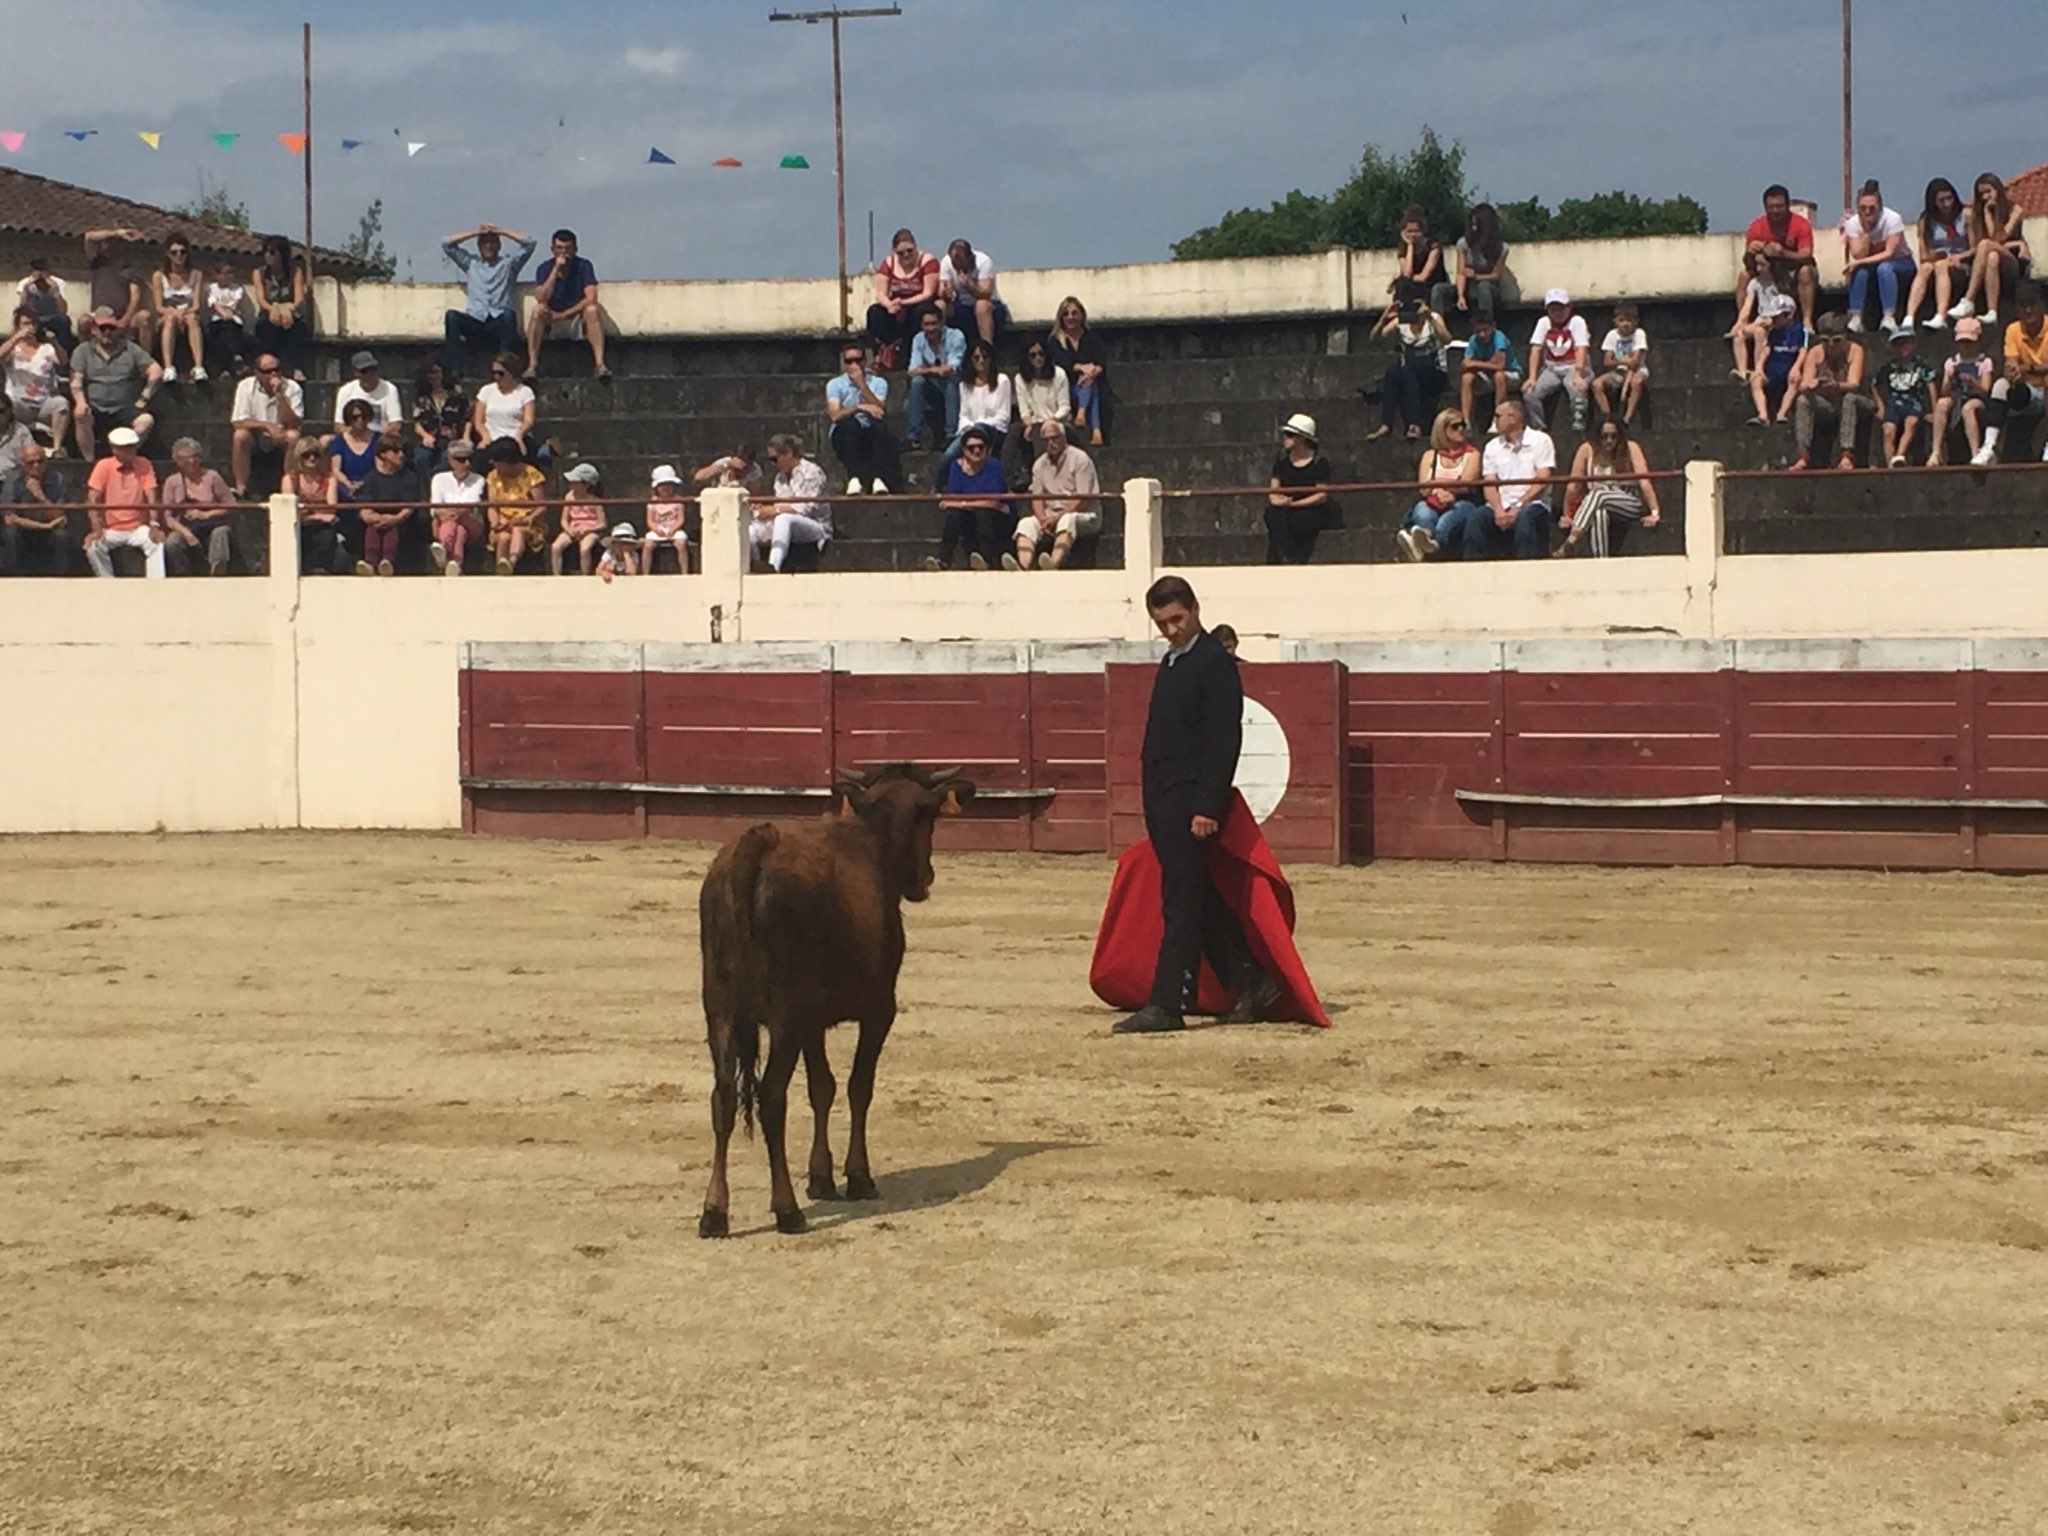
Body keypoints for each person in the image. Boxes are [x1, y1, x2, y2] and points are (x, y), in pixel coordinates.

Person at [1112, 575, 1279, 1035]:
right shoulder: (1175, 661)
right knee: (1198, 899)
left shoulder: (1212, 662)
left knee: (1181, 904)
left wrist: (1207, 806)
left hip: (1190, 806)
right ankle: (1252, 980)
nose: (1170, 630)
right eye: (1162, 623)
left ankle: (1166, 1004)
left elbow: (1224, 740)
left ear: (1195, 610)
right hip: (1168, 803)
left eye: (1176, 620)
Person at [440, 223, 537, 374]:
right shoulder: (471, 263)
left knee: (508, 315)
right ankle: (455, 369)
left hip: (498, 324)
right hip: (476, 322)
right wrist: (475, 232)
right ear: (479, 246)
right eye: (485, 243)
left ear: (499, 246)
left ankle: (505, 367)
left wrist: (501, 231)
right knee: (451, 316)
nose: (489, 247)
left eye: (493, 243)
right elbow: (446, 243)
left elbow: (530, 243)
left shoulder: (508, 264)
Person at [1558, 418, 1661, 558]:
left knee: (1599, 494)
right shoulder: (1587, 449)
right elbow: (1573, 485)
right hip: (1596, 503)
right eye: (1604, 436)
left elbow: (1644, 481)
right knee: (1599, 513)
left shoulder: (1631, 448)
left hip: (1628, 501)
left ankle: (1571, 540)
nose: (1609, 440)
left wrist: (1654, 512)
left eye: (1614, 436)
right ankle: (1602, 560)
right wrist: (1567, 514)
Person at [69, 307, 160, 460]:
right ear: (93, 329)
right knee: (80, 415)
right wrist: (80, 402)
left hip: (125, 407)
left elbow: (155, 369)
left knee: (146, 421)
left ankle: (121, 457)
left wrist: (145, 396)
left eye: (111, 328)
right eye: (102, 328)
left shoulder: (130, 348)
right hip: (95, 407)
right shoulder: (82, 351)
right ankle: (89, 461)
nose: (107, 332)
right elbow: (75, 380)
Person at [1974, 284, 2048, 466]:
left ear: (2042, 306)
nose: (2028, 310)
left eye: (2032, 304)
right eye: (2023, 306)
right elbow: (2012, 362)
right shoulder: (2013, 329)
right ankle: (1989, 447)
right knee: (2001, 384)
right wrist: (2014, 371)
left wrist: (2028, 368)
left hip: (2045, 388)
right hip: (2025, 392)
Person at [1012, 420, 1101, 571]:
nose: (1051, 443)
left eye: (1055, 438)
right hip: (1050, 515)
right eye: (1046, 440)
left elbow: (1083, 498)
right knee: (1025, 524)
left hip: (1083, 514)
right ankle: (1023, 567)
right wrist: (1042, 519)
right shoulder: (1039, 464)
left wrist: (1057, 518)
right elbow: (1037, 497)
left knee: (1067, 520)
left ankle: (1053, 564)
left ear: (1063, 437)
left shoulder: (1081, 459)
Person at [1396, 407, 1482, 562]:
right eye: (1455, 426)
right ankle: (1426, 539)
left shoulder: (1472, 454)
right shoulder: (1430, 455)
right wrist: (1441, 490)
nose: (1461, 429)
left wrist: (1437, 484)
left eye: (1463, 425)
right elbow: (1423, 489)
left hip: (1462, 500)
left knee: (1445, 523)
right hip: (1433, 500)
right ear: (1442, 430)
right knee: (1422, 510)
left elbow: (1466, 483)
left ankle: (1425, 547)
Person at [1473, 397, 1555, 559]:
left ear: (1513, 417)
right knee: (1476, 519)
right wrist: (1498, 509)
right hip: (1501, 506)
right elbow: (1489, 484)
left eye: (1497, 416)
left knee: (1525, 518)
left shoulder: (1541, 440)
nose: (1494, 420)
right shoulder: (1492, 446)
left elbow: (1542, 480)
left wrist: (1517, 506)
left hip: (1533, 503)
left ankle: (1525, 572)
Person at [523, 228, 608, 381]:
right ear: (552, 250)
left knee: (592, 310)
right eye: (559, 248)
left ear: (575, 249)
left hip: (576, 318)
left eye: (568, 249)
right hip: (551, 320)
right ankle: (532, 366)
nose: (564, 252)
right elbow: (541, 297)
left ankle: (600, 365)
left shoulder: (584, 266)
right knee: (537, 311)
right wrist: (555, 270)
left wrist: (564, 314)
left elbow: (591, 297)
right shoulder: (544, 268)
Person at [932, 340, 1017, 490]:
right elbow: (964, 414)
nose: (981, 361)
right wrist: (968, 427)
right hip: (970, 430)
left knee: (974, 433)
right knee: (949, 454)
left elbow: (1004, 416)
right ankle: (937, 486)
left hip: (994, 429)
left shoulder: (1002, 380)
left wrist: (978, 425)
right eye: (976, 357)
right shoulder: (964, 385)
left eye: (985, 356)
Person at [1787, 313, 1867, 471]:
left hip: (1854, 400)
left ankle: (1846, 454)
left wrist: (1836, 385)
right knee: (1803, 400)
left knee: (1849, 399)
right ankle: (1803, 455)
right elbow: (1805, 384)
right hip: (1828, 402)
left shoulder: (1855, 350)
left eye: (1836, 340)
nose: (1831, 345)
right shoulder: (1816, 352)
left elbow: (1854, 383)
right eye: (1825, 340)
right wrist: (1813, 385)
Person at [83, 426, 163, 579]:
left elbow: (152, 495)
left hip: (138, 527)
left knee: (157, 543)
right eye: (125, 448)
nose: (130, 451)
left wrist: (154, 525)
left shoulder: (144, 464)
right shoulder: (103, 466)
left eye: (132, 447)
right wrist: (96, 528)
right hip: (110, 529)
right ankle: (107, 582)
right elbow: (93, 498)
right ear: (114, 449)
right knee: (93, 546)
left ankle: (156, 584)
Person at [1952, 173, 2031, 328]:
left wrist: (1988, 214)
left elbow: (1999, 238)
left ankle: (1968, 299)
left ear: (1998, 190)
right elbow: (1976, 246)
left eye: (1989, 191)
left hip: (2012, 262)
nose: (1986, 197)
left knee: (1987, 246)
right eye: (1981, 194)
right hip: (1991, 258)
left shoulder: (2015, 210)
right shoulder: (1974, 215)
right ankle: (1992, 311)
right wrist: (1960, 256)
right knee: (1992, 256)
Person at [1367, 297, 1450, 442]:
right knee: (1393, 372)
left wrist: (1429, 316)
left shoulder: (1434, 319)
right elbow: (1374, 338)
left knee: (1408, 371)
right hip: (1410, 373)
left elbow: (1447, 339)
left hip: (1435, 373)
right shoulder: (1401, 322)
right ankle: (1386, 424)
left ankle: (1414, 424)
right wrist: (1384, 317)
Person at [927, 426, 1008, 572]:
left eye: (980, 447)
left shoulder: (994, 466)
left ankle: (987, 560)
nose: (976, 451)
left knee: (984, 514)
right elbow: (952, 499)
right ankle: (943, 560)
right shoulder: (956, 467)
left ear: (987, 449)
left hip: (996, 518)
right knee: (954, 516)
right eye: (971, 448)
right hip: (970, 516)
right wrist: (966, 504)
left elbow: (993, 502)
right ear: (964, 451)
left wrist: (963, 503)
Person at [1839, 181, 1915, 336]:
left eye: (1872, 208)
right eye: (1863, 208)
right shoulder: (1853, 223)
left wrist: (1858, 262)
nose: (1867, 212)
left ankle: (1888, 316)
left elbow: (1889, 253)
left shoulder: (1892, 219)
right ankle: (1856, 317)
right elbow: (1858, 254)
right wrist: (1865, 233)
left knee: (1884, 267)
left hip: (1901, 262)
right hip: (1872, 266)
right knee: (1859, 271)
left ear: (1880, 206)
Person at [825, 340, 899, 494]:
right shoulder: (835, 384)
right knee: (850, 425)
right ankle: (854, 478)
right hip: (845, 431)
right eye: (849, 361)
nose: (854, 364)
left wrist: (861, 385)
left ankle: (878, 478)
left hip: (870, 428)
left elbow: (879, 410)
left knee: (879, 428)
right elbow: (835, 415)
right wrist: (859, 407)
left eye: (858, 360)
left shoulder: (878, 383)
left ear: (865, 361)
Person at [1744, 184, 1819, 333]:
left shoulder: (1800, 224)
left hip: (1793, 270)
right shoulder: (1756, 226)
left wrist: (1783, 253)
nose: (1775, 211)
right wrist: (1751, 252)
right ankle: (1744, 321)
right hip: (1768, 271)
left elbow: (1806, 254)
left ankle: (1807, 322)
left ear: (1787, 205)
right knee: (1743, 276)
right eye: (1771, 207)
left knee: (1806, 272)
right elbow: (1747, 263)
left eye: (1779, 206)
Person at [228, 353, 302, 498]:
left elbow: (293, 423)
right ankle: (241, 487)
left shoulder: (293, 388)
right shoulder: (245, 386)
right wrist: (266, 425)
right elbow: (238, 421)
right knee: (240, 436)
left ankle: (288, 487)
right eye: (268, 371)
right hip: (256, 435)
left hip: (282, 435)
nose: (273, 374)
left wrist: (279, 395)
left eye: (277, 369)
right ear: (257, 373)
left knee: (294, 436)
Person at [160, 436, 235, 576]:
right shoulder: (172, 481)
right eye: (186, 458)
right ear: (177, 461)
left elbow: (230, 505)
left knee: (221, 533)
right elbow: (168, 516)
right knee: (172, 542)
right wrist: (187, 534)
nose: (192, 461)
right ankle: (184, 576)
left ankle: (217, 572)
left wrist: (206, 514)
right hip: (186, 525)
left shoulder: (212, 476)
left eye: (195, 456)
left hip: (212, 524)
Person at [1904, 178, 1972, 332]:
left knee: (1941, 266)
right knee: (1924, 268)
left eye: (1950, 198)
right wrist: (1936, 255)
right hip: (1937, 262)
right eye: (1942, 200)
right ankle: (1909, 317)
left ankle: (1941, 315)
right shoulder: (1926, 220)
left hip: (1962, 262)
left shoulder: (1966, 215)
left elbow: (1976, 247)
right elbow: (1923, 255)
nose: (1947, 204)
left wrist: (1958, 257)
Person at [756, 433, 831, 573]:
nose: (773, 463)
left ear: (788, 453)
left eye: (774, 458)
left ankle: (774, 566)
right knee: (752, 529)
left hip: (816, 527)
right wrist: (764, 511)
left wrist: (776, 510)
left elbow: (805, 508)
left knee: (784, 519)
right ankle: (752, 566)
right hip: (790, 524)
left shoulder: (812, 472)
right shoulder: (780, 478)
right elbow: (781, 503)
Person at [1264, 412, 1332, 564]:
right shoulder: (1281, 460)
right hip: (1285, 507)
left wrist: (1294, 504)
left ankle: (1291, 556)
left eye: (1290, 434)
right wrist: (1278, 501)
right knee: (1273, 515)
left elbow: (1321, 494)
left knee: (1302, 520)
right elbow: (1273, 489)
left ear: (1302, 438)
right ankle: (1282, 556)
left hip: (1310, 508)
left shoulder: (1319, 461)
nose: (1285, 438)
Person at [866, 228, 939, 368]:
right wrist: (890, 305)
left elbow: (928, 292)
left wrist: (904, 303)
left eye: (910, 251)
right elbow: (881, 292)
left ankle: (910, 355)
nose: (906, 255)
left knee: (920, 313)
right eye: (901, 253)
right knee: (875, 312)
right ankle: (882, 353)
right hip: (895, 305)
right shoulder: (888, 263)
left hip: (918, 303)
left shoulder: (927, 261)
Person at [353, 432, 421, 577]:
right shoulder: (371, 478)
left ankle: (388, 562)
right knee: (372, 528)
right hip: (376, 521)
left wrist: (393, 519)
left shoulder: (409, 477)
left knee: (392, 529)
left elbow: (408, 508)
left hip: (401, 522)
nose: (401, 455)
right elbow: (365, 508)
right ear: (383, 454)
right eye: (396, 451)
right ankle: (370, 563)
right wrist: (374, 518)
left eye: (402, 451)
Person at [1524, 288, 1590, 436]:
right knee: (1530, 393)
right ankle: (1539, 428)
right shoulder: (1543, 323)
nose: (1557, 313)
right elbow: (1536, 349)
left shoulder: (1577, 322)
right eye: (1553, 310)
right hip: (1551, 367)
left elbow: (1581, 348)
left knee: (1577, 389)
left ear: (1569, 307)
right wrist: (1532, 377)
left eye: (1561, 309)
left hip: (1573, 364)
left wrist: (1578, 373)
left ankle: (1578, 425)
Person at [1928, 316, 1993, 466]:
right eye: (1962, 343)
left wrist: (1972, 381)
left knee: (1968, 408)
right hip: (1956, 395)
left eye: (1970, 343)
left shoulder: (1984, 362)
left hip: (1977, 398)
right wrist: (1948, 379)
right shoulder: (1952, 362)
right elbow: (1945, 392)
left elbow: (1985, 390)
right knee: (1942, 404)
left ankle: (1975, 452)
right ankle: (1936, 452)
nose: (1966, 346)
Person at [5, 307, 71, 453]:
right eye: (26, 323)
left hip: (43, 402)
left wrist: (54, 342)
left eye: (33, 323)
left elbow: (63, 361)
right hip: (19, 403)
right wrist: (16, 338)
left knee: (61, 404)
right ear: (18, 326)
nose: (31, 327)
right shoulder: (13, 350)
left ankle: (57, 448)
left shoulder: (46, 348)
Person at [2, 443, 70, 575]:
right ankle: (12, 578)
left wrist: (41, 497)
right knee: (10, 534)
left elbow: (59, 515)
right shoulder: (13, 479)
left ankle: (62, 579)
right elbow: (9, 519)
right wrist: (45, 526)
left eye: (40, 461)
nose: (36, 466)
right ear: (22, 464)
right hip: (24, 528)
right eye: (30, 463)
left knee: (61, 535)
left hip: (49, 528)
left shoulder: (57, 478)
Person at [1431, 203, 1510, 317]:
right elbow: (1460, 272)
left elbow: (1496, 275)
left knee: (1483, 287)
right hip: (1467, 287)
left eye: (1477, 225)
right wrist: (1460, 296)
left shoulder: (1501, 248)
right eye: (1472, 224)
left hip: (1489, 289)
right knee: (1438, 289)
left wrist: (1476, 276)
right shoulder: (1463, 244)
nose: (1474, 229)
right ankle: (1438, 325)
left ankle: (1486, 323)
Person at [1872, 328, 1936, 468]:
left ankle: (1900, 455)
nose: (1902, 348)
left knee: (1911, 422)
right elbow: (1874, 384)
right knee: (1888, 429)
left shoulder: (1921, 365)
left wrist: (1933, 410)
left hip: (1914, 402)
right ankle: (1890, 462)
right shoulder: (1888, 367)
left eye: (1905, 343)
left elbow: (1931, 385)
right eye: (1897, 344)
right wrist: (1881, 406)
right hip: (1893, 403)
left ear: (1913, 344)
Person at [1730, 250, 1796, 382]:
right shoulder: (1755, 283)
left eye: (1762, 265)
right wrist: (1739, 323)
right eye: (1757, 265)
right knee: (1739, 335)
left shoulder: (1780, 284)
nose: (1759, 268)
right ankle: (1742, 371)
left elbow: (1789, 307)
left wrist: (1773, 320)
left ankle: (1758, 370)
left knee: (1760, 332)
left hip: (1775, 319)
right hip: (1760, 318)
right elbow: (1747, 306)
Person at [905, 306, 965, 451]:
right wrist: (936, 370)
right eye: (927, 324)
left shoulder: (955, 336)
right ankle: (914, 437)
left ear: (941, 322)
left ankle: (951, 433)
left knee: (951, 381)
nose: (931, 328)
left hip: (955, 384)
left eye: (934, 323)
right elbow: (913, 371)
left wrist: (926, 369)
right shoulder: (918, 339)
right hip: (932, 384)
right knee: (916, 382)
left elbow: (951, 368)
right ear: (921, 325)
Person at [1048, 296, 1107, 445]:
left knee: (1089, 382)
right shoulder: (1055, 340)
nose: (1070, 317)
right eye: (1066, 314)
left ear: (1081, 315)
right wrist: (1082, 368)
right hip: (1066, 387)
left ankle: (1084, 415)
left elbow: (1102, 361)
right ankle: (1096, 429)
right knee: (1087, 382)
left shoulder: (1091, 337)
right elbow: (1063, 362)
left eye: (1074, 313)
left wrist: (1092, 372)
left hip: (1089, 383)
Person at [484, 437, 547, 573]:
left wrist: (528, 518)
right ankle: (500, 567)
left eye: (497, 462)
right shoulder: (493, 476)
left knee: (517, 530)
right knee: (503, 537)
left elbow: (541, 505)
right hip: (504, 522)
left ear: (507, 461)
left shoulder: (531, 474)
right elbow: (492, 506)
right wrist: (495, 523)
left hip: (527, 522)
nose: (494, 465)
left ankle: (511, 563)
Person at [81, 227, 151, 347]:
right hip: (99, 315)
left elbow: (135, 296)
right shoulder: (97, 262)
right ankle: (83, 360)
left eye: (114, 241)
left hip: (122, 316)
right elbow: (89, 237)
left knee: (143, 318)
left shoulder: (129, 266)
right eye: (106, 241)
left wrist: (126, 318)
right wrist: (116, 233)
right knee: (83, 321)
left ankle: (146, 361)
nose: (109, 245)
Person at [150, 231, 206, 381]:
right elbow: (159, 307)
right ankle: (168, 367)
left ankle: (199, 367)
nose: (179, 256)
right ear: (168, 254)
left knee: (193, 319)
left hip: (188, 314)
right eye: (174, 252)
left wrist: (185, 313)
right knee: (169, 320)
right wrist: (175, 313)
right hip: (167, 315)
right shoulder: (159, 276)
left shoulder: (196, 275)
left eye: (182, 252)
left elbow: (196, 305)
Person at [251, 235, 309, 377]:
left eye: (272, 252)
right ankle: (269, 369)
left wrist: (287, 309)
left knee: (296, 330)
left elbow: (299, 299)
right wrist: (275, 309)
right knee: (267, 330)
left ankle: (297, 368)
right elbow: (261, 300)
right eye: (265, 252)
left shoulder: (295, 272)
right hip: (268, 314)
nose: (268, 256)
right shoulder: (259, 273)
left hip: (290, 314)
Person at [290, 437, 347, 576]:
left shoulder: (329, 479)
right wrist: (318, 515)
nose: (311, 458)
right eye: (306, 454)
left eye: (315, 454)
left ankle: (322, 570)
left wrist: (308, 513)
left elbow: (331, 509)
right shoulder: (291, 479)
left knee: (326, 535)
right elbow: (290, 510)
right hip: (299, 524)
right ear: (299, 457)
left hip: (322, 527)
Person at [1457, 309, 1521, 432]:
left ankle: (1497, 419)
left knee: (1499, 376)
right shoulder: (1473, 340)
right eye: (1478, 331)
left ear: (1493, 326)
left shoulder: (1499, 338)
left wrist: (1475, 363)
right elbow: (1465, 364)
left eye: (1485, 330)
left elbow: (1500, 365)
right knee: (1467, 377)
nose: (1482, 335)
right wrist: (1485, 364)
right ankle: (1466, 421)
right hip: (1487, 375)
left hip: (1511, 374)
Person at [428, 438, 484, 575]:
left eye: (469, 459)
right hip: (447, 521)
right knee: (458, 529)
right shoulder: (439, 478)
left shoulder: (478, 479)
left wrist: (451, 513)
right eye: (461, 459)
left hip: (471, 522)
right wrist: (450, 514)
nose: (467, 463)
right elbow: (435, 506)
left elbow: (471, 505)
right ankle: (455, 564)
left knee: (454, 523)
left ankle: (444, 548)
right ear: (450, 460)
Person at [939, 238, 1005, 346]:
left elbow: (986, 293)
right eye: (954, 262)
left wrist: (969, 286)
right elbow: (942, 289)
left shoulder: (983, 262)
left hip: (988, 305)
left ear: (969, 258)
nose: (956, 266)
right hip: (960, 304)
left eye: (960, 261)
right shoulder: (946, 262)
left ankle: (987, 348)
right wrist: (946, 293)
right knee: (940, 305)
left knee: (981, 305)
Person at [471, 351, 537, 459]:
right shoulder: (486, 391)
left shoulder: (525, 392)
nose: (496, 377)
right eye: (494, 373)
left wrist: (519, 435)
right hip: (491, 438)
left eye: (500, 373)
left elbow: (528, 420)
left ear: (512, 372)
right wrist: (485, 437)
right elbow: (479, 421)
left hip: (515, 437)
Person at [411, 358, 469, 480]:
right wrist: (425, 436)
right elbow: (416, 422)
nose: (433, 376)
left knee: (446, 458)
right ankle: (426, 493)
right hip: (429, 441)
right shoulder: (421, 397)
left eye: (436, 372)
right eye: (430, 373)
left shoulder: (457, 396)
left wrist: (466, 437)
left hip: (452, 441)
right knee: (421, 457)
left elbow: (467, 418)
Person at [1593, 303, 1651, 425]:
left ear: (1636, 321)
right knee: (1596, 384)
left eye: (1629, 320)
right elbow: (1607, 361)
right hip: (1617, 372)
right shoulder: (1612, 335)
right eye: (1621, 320)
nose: (1625, 324)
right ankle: (1607, 417)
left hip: (1637, 370)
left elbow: (1635, 363)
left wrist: (1625, 389)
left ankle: (1627, 417)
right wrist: (1624, 361)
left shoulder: (1639, 334)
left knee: (1637, 382)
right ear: (1615, 321)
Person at [1013, 340, 1071, 461]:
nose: (1038, 358)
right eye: (1033, 355)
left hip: (1057, 421)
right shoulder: (1020, 379)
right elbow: (1024, 410)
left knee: (1042, 432)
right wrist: (1028, 424)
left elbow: (1065, 407)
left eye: (1041, 354)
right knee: (1018, 432)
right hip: (1035, 423)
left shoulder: (1059, 374)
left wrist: (1050, 421)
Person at [1752, 308, 1808, 426]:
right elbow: (1766, 350)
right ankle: (1762, 415)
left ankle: (1782, 413)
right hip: (1773, 367)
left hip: (1789, 366)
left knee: (1794, 380)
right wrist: (1759, 368)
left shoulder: (1800, 330)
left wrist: (1797, 367)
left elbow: (1803, 350)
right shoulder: (1773, 332)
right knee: (1755, 380)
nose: (1774, 320)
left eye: (1777, 317)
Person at [552, 462, 607, 575]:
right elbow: (564, 519)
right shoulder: (569, 496)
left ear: (586, 485)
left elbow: (603, 523)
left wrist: (588, 530)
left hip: (590, 530)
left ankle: (585, 576)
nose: (571, 485)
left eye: (575, 483)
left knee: (584, 549)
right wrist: (568, 530)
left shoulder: (595, 501)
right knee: (555, 547)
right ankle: (556, 575)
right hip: (572, 529)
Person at [202, 257, 250, 378]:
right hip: (216, 321)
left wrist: (227, 312)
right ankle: (234, 357)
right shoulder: (211, 288)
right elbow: (213, 303)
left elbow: (234, 305)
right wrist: (223, 312)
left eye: (232, 273)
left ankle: (231, 362)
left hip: (234, 322)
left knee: (229, 329)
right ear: (217, 274)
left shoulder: (237, 288)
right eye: (226, 273)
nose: (229, 276)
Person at [327, 399, 379, 505]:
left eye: (364, 417)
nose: (360, 420)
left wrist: (364, 484)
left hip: (371, 484)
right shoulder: (340, 440)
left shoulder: (378, 440)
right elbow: (336, 470)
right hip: (345, 483)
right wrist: (348, 483)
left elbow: (379, 468)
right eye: (355, 417)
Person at [333, 350, 401, 432]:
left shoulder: (390, 389)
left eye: (372, 369)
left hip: (380, 438)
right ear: (355, 372)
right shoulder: (345, 390)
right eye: (364, 371)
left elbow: (396, 424)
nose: (369, 374)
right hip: (353, 437)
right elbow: (338, 425)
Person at [16, 257, 74, 351]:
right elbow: (22, 308)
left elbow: (63, 310)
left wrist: (55, 291)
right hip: (35, 317)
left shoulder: (58, 283)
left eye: (42, 270)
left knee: (64, 320)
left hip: (54, 317)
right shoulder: (25, 284)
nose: (40, 275)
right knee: (23, 322)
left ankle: (64, 352)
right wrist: (26, 290)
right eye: (36, 270)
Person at [1388, 205, 1442, 306]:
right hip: (1411, 286)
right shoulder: (1404, 248)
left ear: (1422, 232)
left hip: (1430, 286)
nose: (1413, 235)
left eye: (1416, 231)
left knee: (1402, 283)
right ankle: (1401, 313)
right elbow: (1407, 273)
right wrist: (1410, 246)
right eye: (1409, 231)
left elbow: (1423, 277)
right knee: (1403, 284)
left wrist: (1398, 279)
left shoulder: (1433, 247)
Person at [642, 464, 691, 574]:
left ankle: (685, 572)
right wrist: (656, 529)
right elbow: (650, 520)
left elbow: (681, 519)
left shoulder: (678, 500)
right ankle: (645, 573)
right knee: (648, 544)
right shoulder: (652, 501)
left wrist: (673, 529)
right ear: (657, 488)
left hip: (674, 529)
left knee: (681, 543)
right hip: (658, 529)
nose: (666, 488)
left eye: (669, 485)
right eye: (662, 485)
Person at [693, 445, 764, 494]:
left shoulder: (755, 470)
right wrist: (717, 469)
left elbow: (754, 494)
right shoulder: (724, 462)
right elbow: (698, 477)